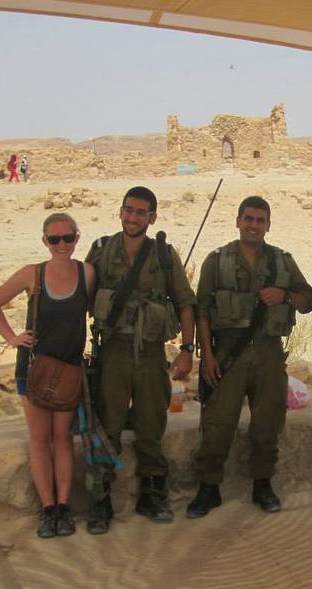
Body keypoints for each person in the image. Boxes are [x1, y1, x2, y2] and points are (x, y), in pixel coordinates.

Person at [187, 196, 312, 518]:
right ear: (238, 221)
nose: (253, 225)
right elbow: (202, 310)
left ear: (268, 225)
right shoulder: (217, 261)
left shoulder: (282, 262)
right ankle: (209, 487)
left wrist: (283, 294)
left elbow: (307, 300)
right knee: (217, 424)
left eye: (260, 220)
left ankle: (262, 483)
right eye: (248, 219)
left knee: (267, 423)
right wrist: (207, 357)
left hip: (269, 353)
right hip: (228, 353)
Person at [85, 186, 197, 534]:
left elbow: (185, 302)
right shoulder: (102, 251)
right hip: (112, 352)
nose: (133, 218)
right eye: (128, 210)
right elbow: (81, 298)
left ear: (153, 218)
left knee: (151, 426)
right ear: (121, 212)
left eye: (141, 212)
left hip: (150, 353)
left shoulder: (164, 255)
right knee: (108, 428)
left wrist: (187, 350)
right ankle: (100, 500)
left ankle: (152, 493)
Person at [0, 213, 95, 538]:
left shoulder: (86, 273)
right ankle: (47, 510)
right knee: (39, 439)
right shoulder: (31, 275)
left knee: (62, 439)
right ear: (44, 241)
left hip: (68, 369)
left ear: (77, 237)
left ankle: (63, 508)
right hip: (33, 369)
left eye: (68, 238)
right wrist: (12, 338)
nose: (62, 245)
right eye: (54, 239)